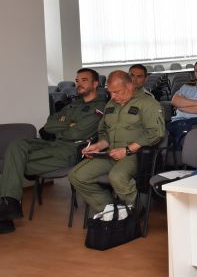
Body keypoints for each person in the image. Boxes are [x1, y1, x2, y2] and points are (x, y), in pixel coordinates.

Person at [0, 68, 106, 234]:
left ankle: (6, 214)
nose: (79, 84)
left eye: (84, 80)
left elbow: (77, 134)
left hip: (71, 150)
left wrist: (63, 124)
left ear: (95, 83)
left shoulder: (100, 107)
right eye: (77, 81)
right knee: (16, 145)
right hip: (53, 144)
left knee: (11, 165)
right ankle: (9, 205)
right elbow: (48, 125)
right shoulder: (73, 104)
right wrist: (69, 125)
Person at [69, 71, 165, 214]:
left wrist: (127, 150)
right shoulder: (111, 104)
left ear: (130, 86)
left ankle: (137, 211)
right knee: (77, 175)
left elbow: (156, 133)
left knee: (117, 177)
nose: (113, 96)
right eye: (110, 92)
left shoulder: (148, 103)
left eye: (117, 92)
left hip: (136, 154)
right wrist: (99, 146)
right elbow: (104, 131)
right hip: (112, 152)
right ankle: (110, 211)